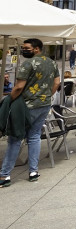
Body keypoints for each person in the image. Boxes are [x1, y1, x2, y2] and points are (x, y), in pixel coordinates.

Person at [0, 39, 60, 187]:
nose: (23, 50)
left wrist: (9, 100)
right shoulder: (52, 63)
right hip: (44, 104)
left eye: (26, 48)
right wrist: (46, 96)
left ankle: (5, 175)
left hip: (26, 105)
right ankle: (33, 171)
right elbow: (57, 82)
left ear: (37, 49)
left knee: (15, 138)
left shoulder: (28, 63)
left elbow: (19, 87)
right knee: (34, 136)